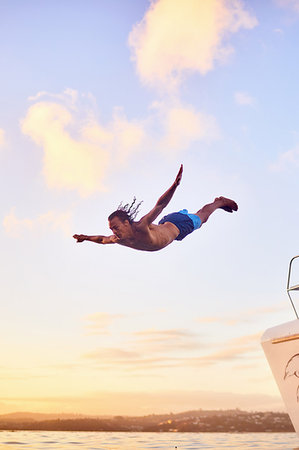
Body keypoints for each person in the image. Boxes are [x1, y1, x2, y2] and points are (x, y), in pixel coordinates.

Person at [73, 164, 238, 252]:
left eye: (115, 227)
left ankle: (219, 202)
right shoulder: (119, 239)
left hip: (177, 225)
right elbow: (102, 239)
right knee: (191, 225)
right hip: (165, 227)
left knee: (203, 217)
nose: (114, 232)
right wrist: (86, 237)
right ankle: (215, 204)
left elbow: (160, 205)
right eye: (112, 229)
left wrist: (175, 185)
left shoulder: (142, 225)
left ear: (126, 222)